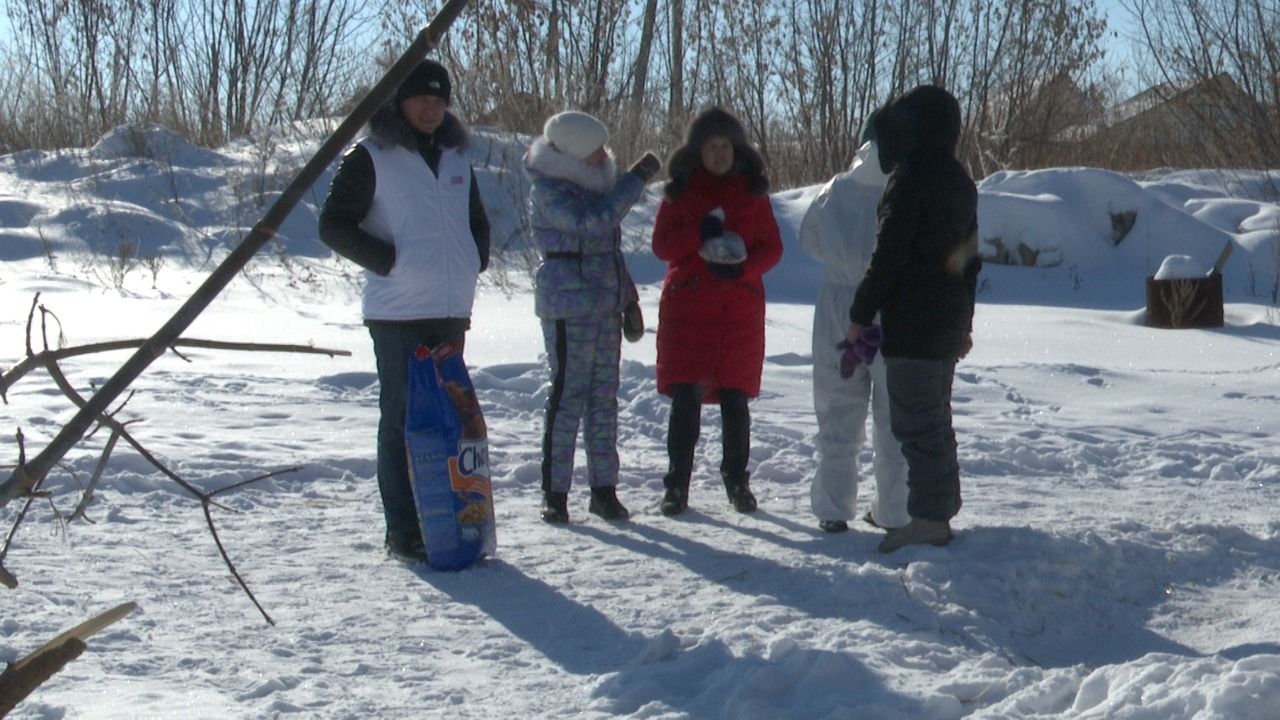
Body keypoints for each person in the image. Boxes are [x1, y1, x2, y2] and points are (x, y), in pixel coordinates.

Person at [318, 59, 490, 560]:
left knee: (449, 420)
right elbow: (333, 225)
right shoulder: (371, 155)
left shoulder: (458, 158)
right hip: (398, 312)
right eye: (421, 98)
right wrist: (388, 261)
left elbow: (476, 219)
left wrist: (475, 258)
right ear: (400, 102)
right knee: (401, 419)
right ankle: (404, 529)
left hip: (451, 307)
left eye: (439, 100)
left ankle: (452, 517)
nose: (431, 107)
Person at [846, 85, 981, 553]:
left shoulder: (909, 179)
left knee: (917, 424)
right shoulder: (960, 180)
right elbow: (970, 260)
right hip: (945, 321)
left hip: (914, 324)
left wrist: (860, 313)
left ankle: (928, 519)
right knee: (935, 421)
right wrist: (964, 323)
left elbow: (889, 256)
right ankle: (937, 512)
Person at [525, 110, 661, 524]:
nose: (605, 155)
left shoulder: (596, 188)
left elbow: (609, 254)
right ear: (575, 151)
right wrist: (633, 181)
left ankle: (604, 490)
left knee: (604, 400)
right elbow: (592, 224)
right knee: (568, 396)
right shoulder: (549, 190)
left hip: (604, 306)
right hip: (569, 307)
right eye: (596, 149)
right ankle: (556, 492)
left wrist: (629, 300)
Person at [651, 107, 783, 516]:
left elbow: (773, 248)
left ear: (737, 148)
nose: (720, 154)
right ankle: (677, 485)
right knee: (685, 399)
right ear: (697, 151)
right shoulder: (681, 191)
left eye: (726, 146)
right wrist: (698, 234)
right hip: (689, 311)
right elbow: (662, 247)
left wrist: (745, 267)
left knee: (735, 401)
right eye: (711, 147)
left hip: (737, 312)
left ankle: (737, 481)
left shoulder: (752, 193)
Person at [800, 114, 911, 535]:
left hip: (838, 307)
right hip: (891, 308)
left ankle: (833, 506)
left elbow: (808, 241)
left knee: (837, 407)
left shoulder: (835, 190)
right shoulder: (900, 189)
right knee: (892, 414)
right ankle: (895, 511)